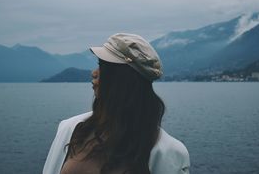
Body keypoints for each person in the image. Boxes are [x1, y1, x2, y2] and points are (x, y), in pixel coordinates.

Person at [43, 33, 190, 174]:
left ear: (123, 80)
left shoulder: (169, 152)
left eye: (102, 66)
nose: (94, 73)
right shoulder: (71, 129)